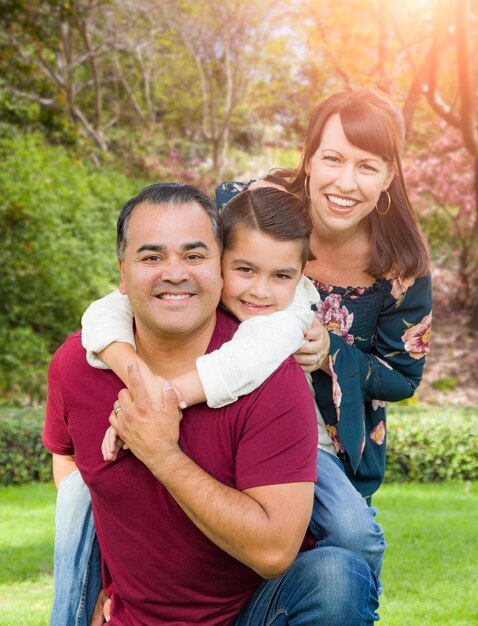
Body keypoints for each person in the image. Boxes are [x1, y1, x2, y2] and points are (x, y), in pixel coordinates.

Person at [43, 183, 379, 625]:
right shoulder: (80, 362)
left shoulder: (269, 364)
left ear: (216, 269)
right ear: (122, 273)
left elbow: (275, 551)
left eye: (194, 256)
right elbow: (67, 460)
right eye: (151, 257)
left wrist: (162, 449)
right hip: (131, 614)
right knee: (75, 497)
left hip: (251, 613)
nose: (175, 272)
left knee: (342, 567)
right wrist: (101, 583)